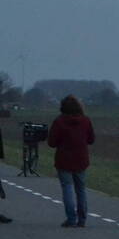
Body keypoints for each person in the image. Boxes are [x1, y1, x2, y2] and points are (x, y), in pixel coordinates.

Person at [47, 95, 95, 228]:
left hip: (64, 159)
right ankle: (82, 219)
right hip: (81, 159)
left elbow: (51, 142)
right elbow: (91, 139)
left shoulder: (59, 121)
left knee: (67, 188)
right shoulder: (86, 121)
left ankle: (71, 218)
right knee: (81, 189)